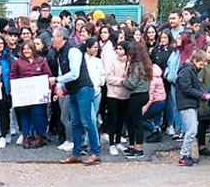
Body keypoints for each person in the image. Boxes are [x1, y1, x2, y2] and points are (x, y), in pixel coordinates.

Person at [51, 27, 100, 165]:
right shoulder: (60, 53)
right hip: (73, 90)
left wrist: (57, 80)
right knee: (75, 122)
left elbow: (74, 74)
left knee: (87, 121)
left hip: (83, 88)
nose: (52, 39)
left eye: (54, 36)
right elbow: (62, 72)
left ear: (61, 37)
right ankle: (76, 153)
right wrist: (59, 87)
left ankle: (95, 152)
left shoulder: (73, 51)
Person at [8, 39, 51, 149]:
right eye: (24, 49)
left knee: (38, 114)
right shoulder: (17, 62)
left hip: (38, 94)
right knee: (25, 115)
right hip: (23, 95)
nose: (26, 51)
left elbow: (48, 76)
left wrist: (49, 89)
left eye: (29, 49)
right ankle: (26, 136)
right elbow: (12, 76)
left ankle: (40, 136)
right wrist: (13, 90)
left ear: (33, 49)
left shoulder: (41, 61)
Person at [175, 50, 210, 166]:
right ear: (195, 61)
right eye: (201, 64)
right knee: (192, 130)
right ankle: (184, 155)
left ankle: (186, 154)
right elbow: (186, 88)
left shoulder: (190, 71)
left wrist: (205, 94)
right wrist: (203, 96)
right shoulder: (187, 71)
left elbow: (195, 87)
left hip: (190, 103)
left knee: (191, 130)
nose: (201, 67)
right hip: (186, 104)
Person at [122, 40, 153, 159]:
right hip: (144, 94)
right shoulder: (145, 63)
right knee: (132, 120)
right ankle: (132, 146)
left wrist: (122, 82)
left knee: (135, 122)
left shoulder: (136, 65)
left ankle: (138, 148)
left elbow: (132, 83)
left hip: (137, 94)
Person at [104, 40, 130, 155]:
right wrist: (122, 81)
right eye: (117, 49)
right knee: (113, 120)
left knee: (121, 119)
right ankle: (111, 143)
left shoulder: (129, 61)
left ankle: (118, 141)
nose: (119, 51)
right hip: (113, 94)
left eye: (121, 49)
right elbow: (109, 77)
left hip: (125, 94)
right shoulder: (111, 60)